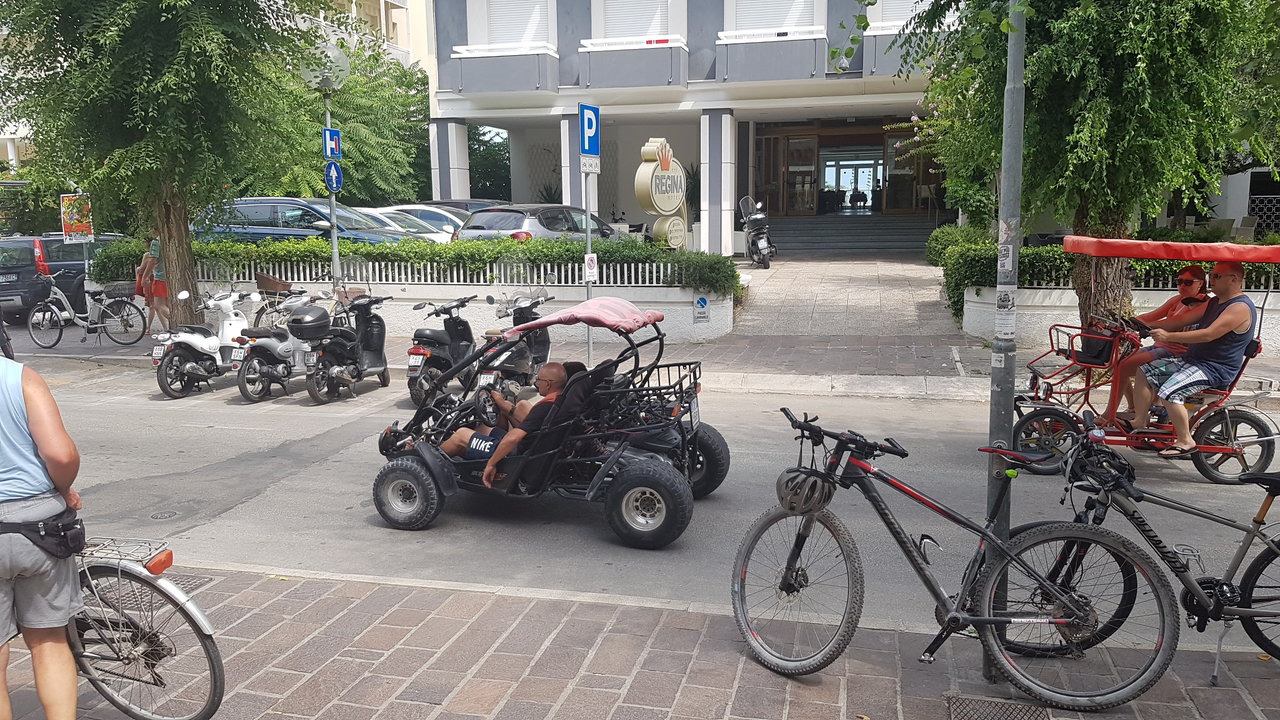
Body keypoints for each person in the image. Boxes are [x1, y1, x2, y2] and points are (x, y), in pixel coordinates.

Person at [0, 357, 83, 720]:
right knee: (50, 640)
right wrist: (63, 489)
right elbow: (60, 455)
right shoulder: (20, 378)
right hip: (39, 530)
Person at [1130, 261, 1257, 458]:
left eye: (1216, 276)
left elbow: (1208, 334)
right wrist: (1140, 325)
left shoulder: (1239, 307)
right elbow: (1181, 320)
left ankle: (1185, 440)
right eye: (1211, 275)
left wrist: (1168, 336)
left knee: (1169, 392)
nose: (1211, 280)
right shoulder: (1214, 302)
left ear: (1234, 279)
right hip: (1194, 361)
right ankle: (1139, 420)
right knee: (1144, 370)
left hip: (1214, 369)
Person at [1103, 265, 1208, 426]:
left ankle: (1113, 415)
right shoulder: (1177, 300)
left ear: (1200, 283)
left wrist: (1147, 327)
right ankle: (1133, 408)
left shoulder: (1199, 304)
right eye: (1179, 281)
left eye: (1187, 282)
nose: (1182, 286)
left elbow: (1174, 323)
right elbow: (1152, 315)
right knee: (1118, 363)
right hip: (1160, 346)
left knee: (1123, 367)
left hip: (1174, 352)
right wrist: (1129, 323)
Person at [439, 363, 569, 487]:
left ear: (548, 384)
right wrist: (501, 405)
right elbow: (528, 425)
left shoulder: (545, 407)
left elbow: (513, 438)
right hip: (529, 447)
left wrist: (491, 463)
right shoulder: (559, 401)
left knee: (461, 435)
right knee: (488, 426)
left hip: (514, 454)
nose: (536, 382)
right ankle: (464, 453)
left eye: (539, 379)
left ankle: (432, 464)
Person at [148, 238, 171, 333]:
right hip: (171, 277)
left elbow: (152, 260)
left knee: (159, 305)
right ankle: (170, 328)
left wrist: (145, 276)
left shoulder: (156, 242)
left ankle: (179, 322)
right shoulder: (169, 238)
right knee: (168, 304)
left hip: (160, 277)